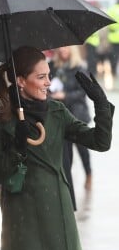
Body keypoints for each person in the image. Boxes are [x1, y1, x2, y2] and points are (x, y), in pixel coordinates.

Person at [0, 46, 114, 250]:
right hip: (21, 213)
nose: (48, 83)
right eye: (41, 77)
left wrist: (101, 104)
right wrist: (16, 149)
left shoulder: (56, 112)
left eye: (48, 76)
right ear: (20, 81)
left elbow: (100, 142)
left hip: (58, 209)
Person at [50, 46, 93, 191]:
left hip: (78, 114)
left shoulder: (79, 68)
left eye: (66, 49)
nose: (63, 51)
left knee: (82, 149)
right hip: (61, 116)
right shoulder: (53, 67)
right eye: (60, 49)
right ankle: (68, 180)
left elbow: (83, 92)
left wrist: (65, 96)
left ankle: (89, 174)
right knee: (66, 151)